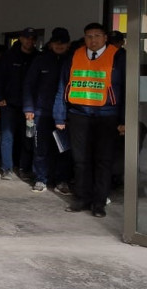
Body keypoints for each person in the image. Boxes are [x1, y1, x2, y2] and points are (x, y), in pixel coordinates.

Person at [54, 22, 126, 217]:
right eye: (89, 36)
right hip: (79, 115)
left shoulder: (118, 56)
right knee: (80, 161)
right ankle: (82, 199)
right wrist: (59, 114)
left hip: (107, 116)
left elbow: (128, 89)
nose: (92, 40)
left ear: (105, 38)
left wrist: (124, 119)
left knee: (103, 161)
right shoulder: (75, 55)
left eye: (97, 36)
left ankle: (99, 203)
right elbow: (63, 86)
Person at [23, 27, 73, 193]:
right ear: (50, 44)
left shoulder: (73, 61)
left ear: (68, 44)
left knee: (63, 149)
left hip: (65, 114)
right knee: (40, 148)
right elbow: (29, 84)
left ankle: (61, 180)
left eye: (63, 43)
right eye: (56, 43)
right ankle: (40, 178)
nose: (59, 46)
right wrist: (29, 108)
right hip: (41, 111)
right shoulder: (41, 60)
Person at [0, 27, 39, 180]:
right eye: (27, 38)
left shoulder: (37, 57)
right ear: (20, 39)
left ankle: (24, 168)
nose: (29, 41)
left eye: (32, 39)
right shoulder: (9, 56)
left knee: (27, 137)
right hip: (9, 104)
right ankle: (7, 168)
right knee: (8, 137)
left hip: (30, 107)